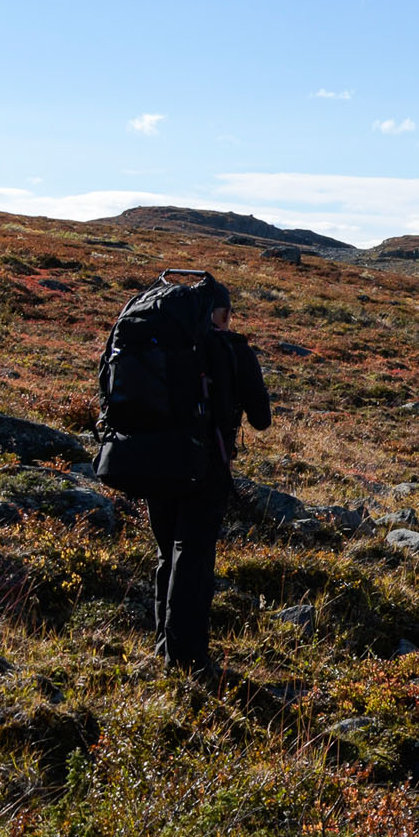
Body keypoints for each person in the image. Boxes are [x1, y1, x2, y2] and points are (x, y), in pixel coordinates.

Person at [146, 277, 270, 676]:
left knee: (168, 554)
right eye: (228, 313)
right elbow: (262, 419)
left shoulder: (157, 343)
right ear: (219, 313)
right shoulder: (231, 349)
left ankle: (165, 646)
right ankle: (188, 660)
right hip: (205, 468)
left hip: (155, 461)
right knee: (194, 558)